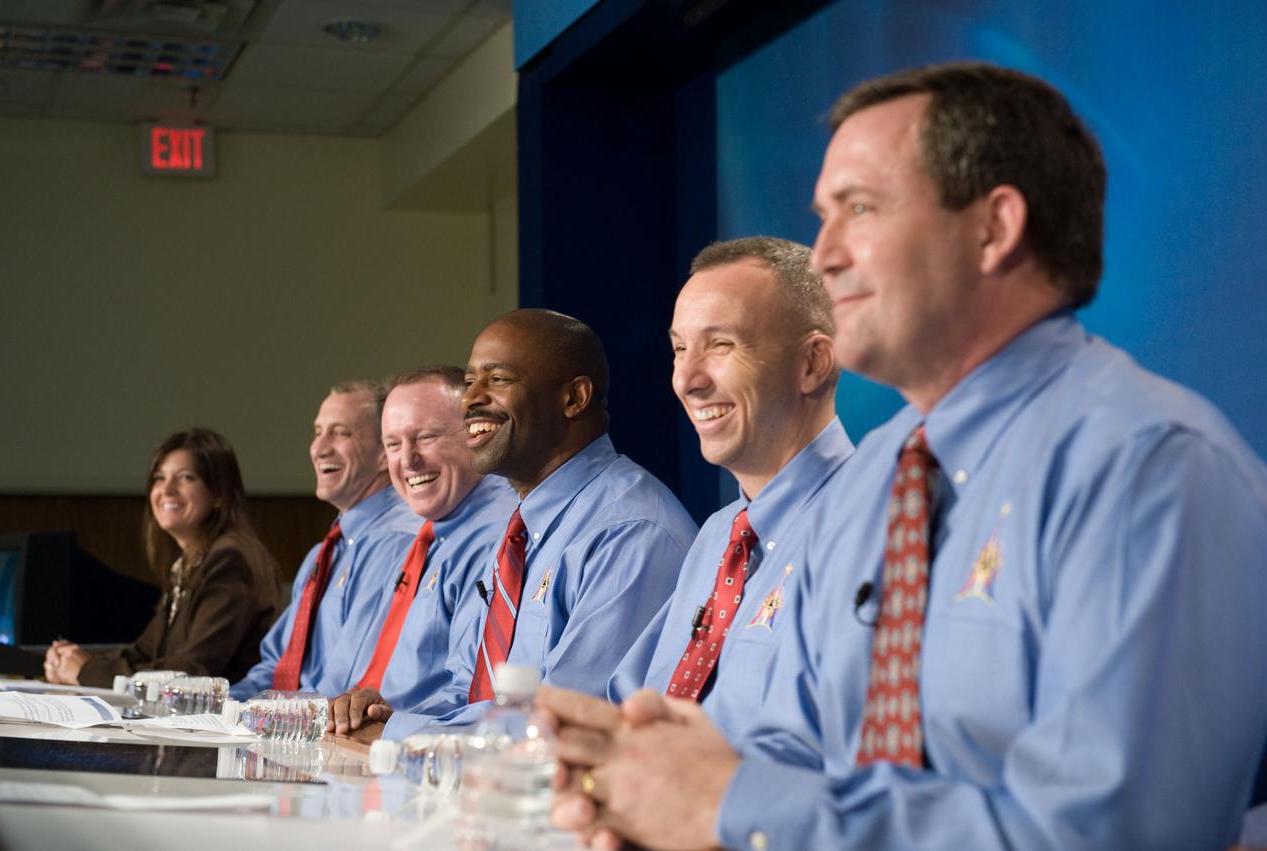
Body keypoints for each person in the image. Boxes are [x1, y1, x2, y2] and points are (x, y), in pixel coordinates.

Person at [540, 61, 1267, 850]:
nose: (824, 256)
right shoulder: (873, 485)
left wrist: (730, 803)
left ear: (994, 228)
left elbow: (1115, 834)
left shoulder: (1149, 468)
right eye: (822, 217)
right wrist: (657, 792)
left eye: (859, 208)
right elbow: (795, 748)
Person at [358, 308, 698, 741]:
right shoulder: (520, 532)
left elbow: (562, 725)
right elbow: (467, 691)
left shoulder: (629, 531)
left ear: (574, 398)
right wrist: (386, 720)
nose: (471, 399)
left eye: (497, 379)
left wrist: (400, 739)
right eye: (469, 382)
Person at [606, 236, 853, 747]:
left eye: (721, 345)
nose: (687, 379)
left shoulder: (872, 527)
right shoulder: (718, 537)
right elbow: (632, 709)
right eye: (679, 348)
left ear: (812, 364)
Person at [324, 367, 514, 741]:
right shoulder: (430, 536)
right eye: (393, 444)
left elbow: (475, 696)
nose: (407, 460)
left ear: (475, 434)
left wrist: (391, 727)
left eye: (425, 437)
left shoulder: (502, 538)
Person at [45, 427, 280, 687]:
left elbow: (190, 671)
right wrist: (71, 660)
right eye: (159, 478)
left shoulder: (231, 560)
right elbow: (143, 654)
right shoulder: (189, 563)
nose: (167, 490)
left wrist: (86, 671)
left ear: (219, 495)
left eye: (186, 477)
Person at [229, 381, 419, 701]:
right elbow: (277, 666)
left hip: (324, 734)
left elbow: (344, 686)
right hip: (289, 724)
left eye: (341, 433)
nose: (319, 448)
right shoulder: (325, 552)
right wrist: (227, 706)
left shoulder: (397, 544)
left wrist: (263, 714)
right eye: (318, 432)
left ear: (387, 452)